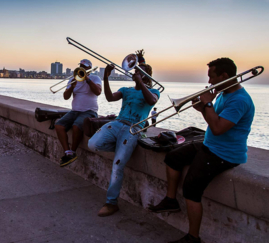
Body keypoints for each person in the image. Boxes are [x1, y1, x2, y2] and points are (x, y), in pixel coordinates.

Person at [148, 58, 254, 243]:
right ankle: (171, 200)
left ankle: (193, 238)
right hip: (211, 144)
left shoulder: (240, 100)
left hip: (225, 154)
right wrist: (203, 109)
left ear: (224, 76)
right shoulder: (223, 93)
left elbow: (218, 128)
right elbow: (213, 121)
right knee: (173, 157)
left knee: (191, 188)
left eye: (212, 77)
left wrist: (207, 105)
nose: (209, 82)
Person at [88, 50, 159, 217]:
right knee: (92, 143)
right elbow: (109, 97)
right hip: (118, 123)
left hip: (134, 129)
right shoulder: (126, 90)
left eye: (143, 74)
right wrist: (106, 77)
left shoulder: (154, 92)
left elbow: (151, 102)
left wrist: (141, 83)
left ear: (148, 76)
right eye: (137, 73)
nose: (138, 75)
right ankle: (124, 149)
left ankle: (111, 203)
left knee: (117, 165)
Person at [55, 59, 102, 167]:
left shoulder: (95, 78)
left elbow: (98, 92)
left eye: (84, 66)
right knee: (58, 125)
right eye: (80, 66)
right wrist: (72, 86)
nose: (81, 68)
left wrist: (87, 79)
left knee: (77, 126)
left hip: (89, 111)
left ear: (89, 68)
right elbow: (66, 97)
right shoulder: (73, 80)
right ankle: (68, 152)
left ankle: (73, 151)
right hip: (75, 111)